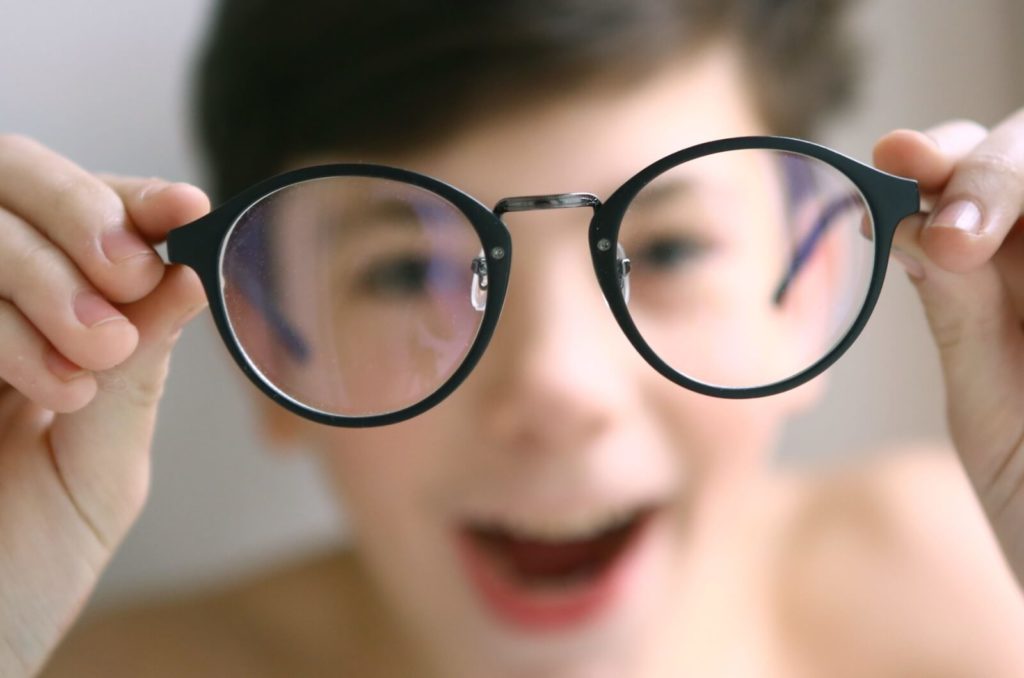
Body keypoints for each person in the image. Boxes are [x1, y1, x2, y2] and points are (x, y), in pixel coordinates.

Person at [1, 0, 1023, 676]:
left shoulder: (972, 590)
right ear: (262, 339)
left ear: (807, 294)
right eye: (408, 272)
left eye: (663, 252)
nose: (555, 387)